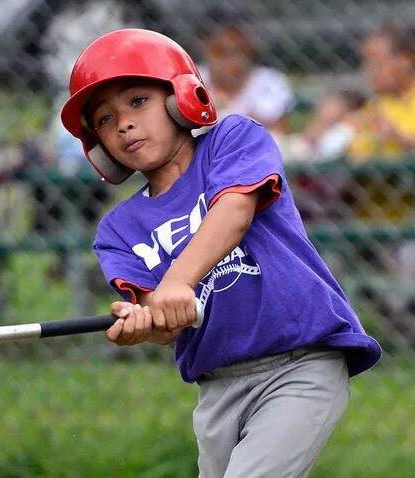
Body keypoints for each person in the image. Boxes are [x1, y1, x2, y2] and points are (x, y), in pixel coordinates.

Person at [60, 29, 381, 477]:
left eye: (137, 102)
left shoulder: (233, 139)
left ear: (180, 98)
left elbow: (233, 213)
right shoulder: (117, 230)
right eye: (105, 120)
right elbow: (163, 313)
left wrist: (177, 281)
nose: (124, 124)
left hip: (302, 363)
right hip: (217, 388)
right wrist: (143, 324)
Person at [195, 7, 294, 135]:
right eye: (221, 51)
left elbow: (279, 132)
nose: (232, 60)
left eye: (240, 51)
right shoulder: (192, 78)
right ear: (206, 47)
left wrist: (234, 108)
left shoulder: (270, 82)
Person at [344, 20, 415, 161]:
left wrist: (398, 137)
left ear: (405, 60)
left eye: (376, 62)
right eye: (365, 62)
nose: (368, 70)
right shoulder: (377, 105)